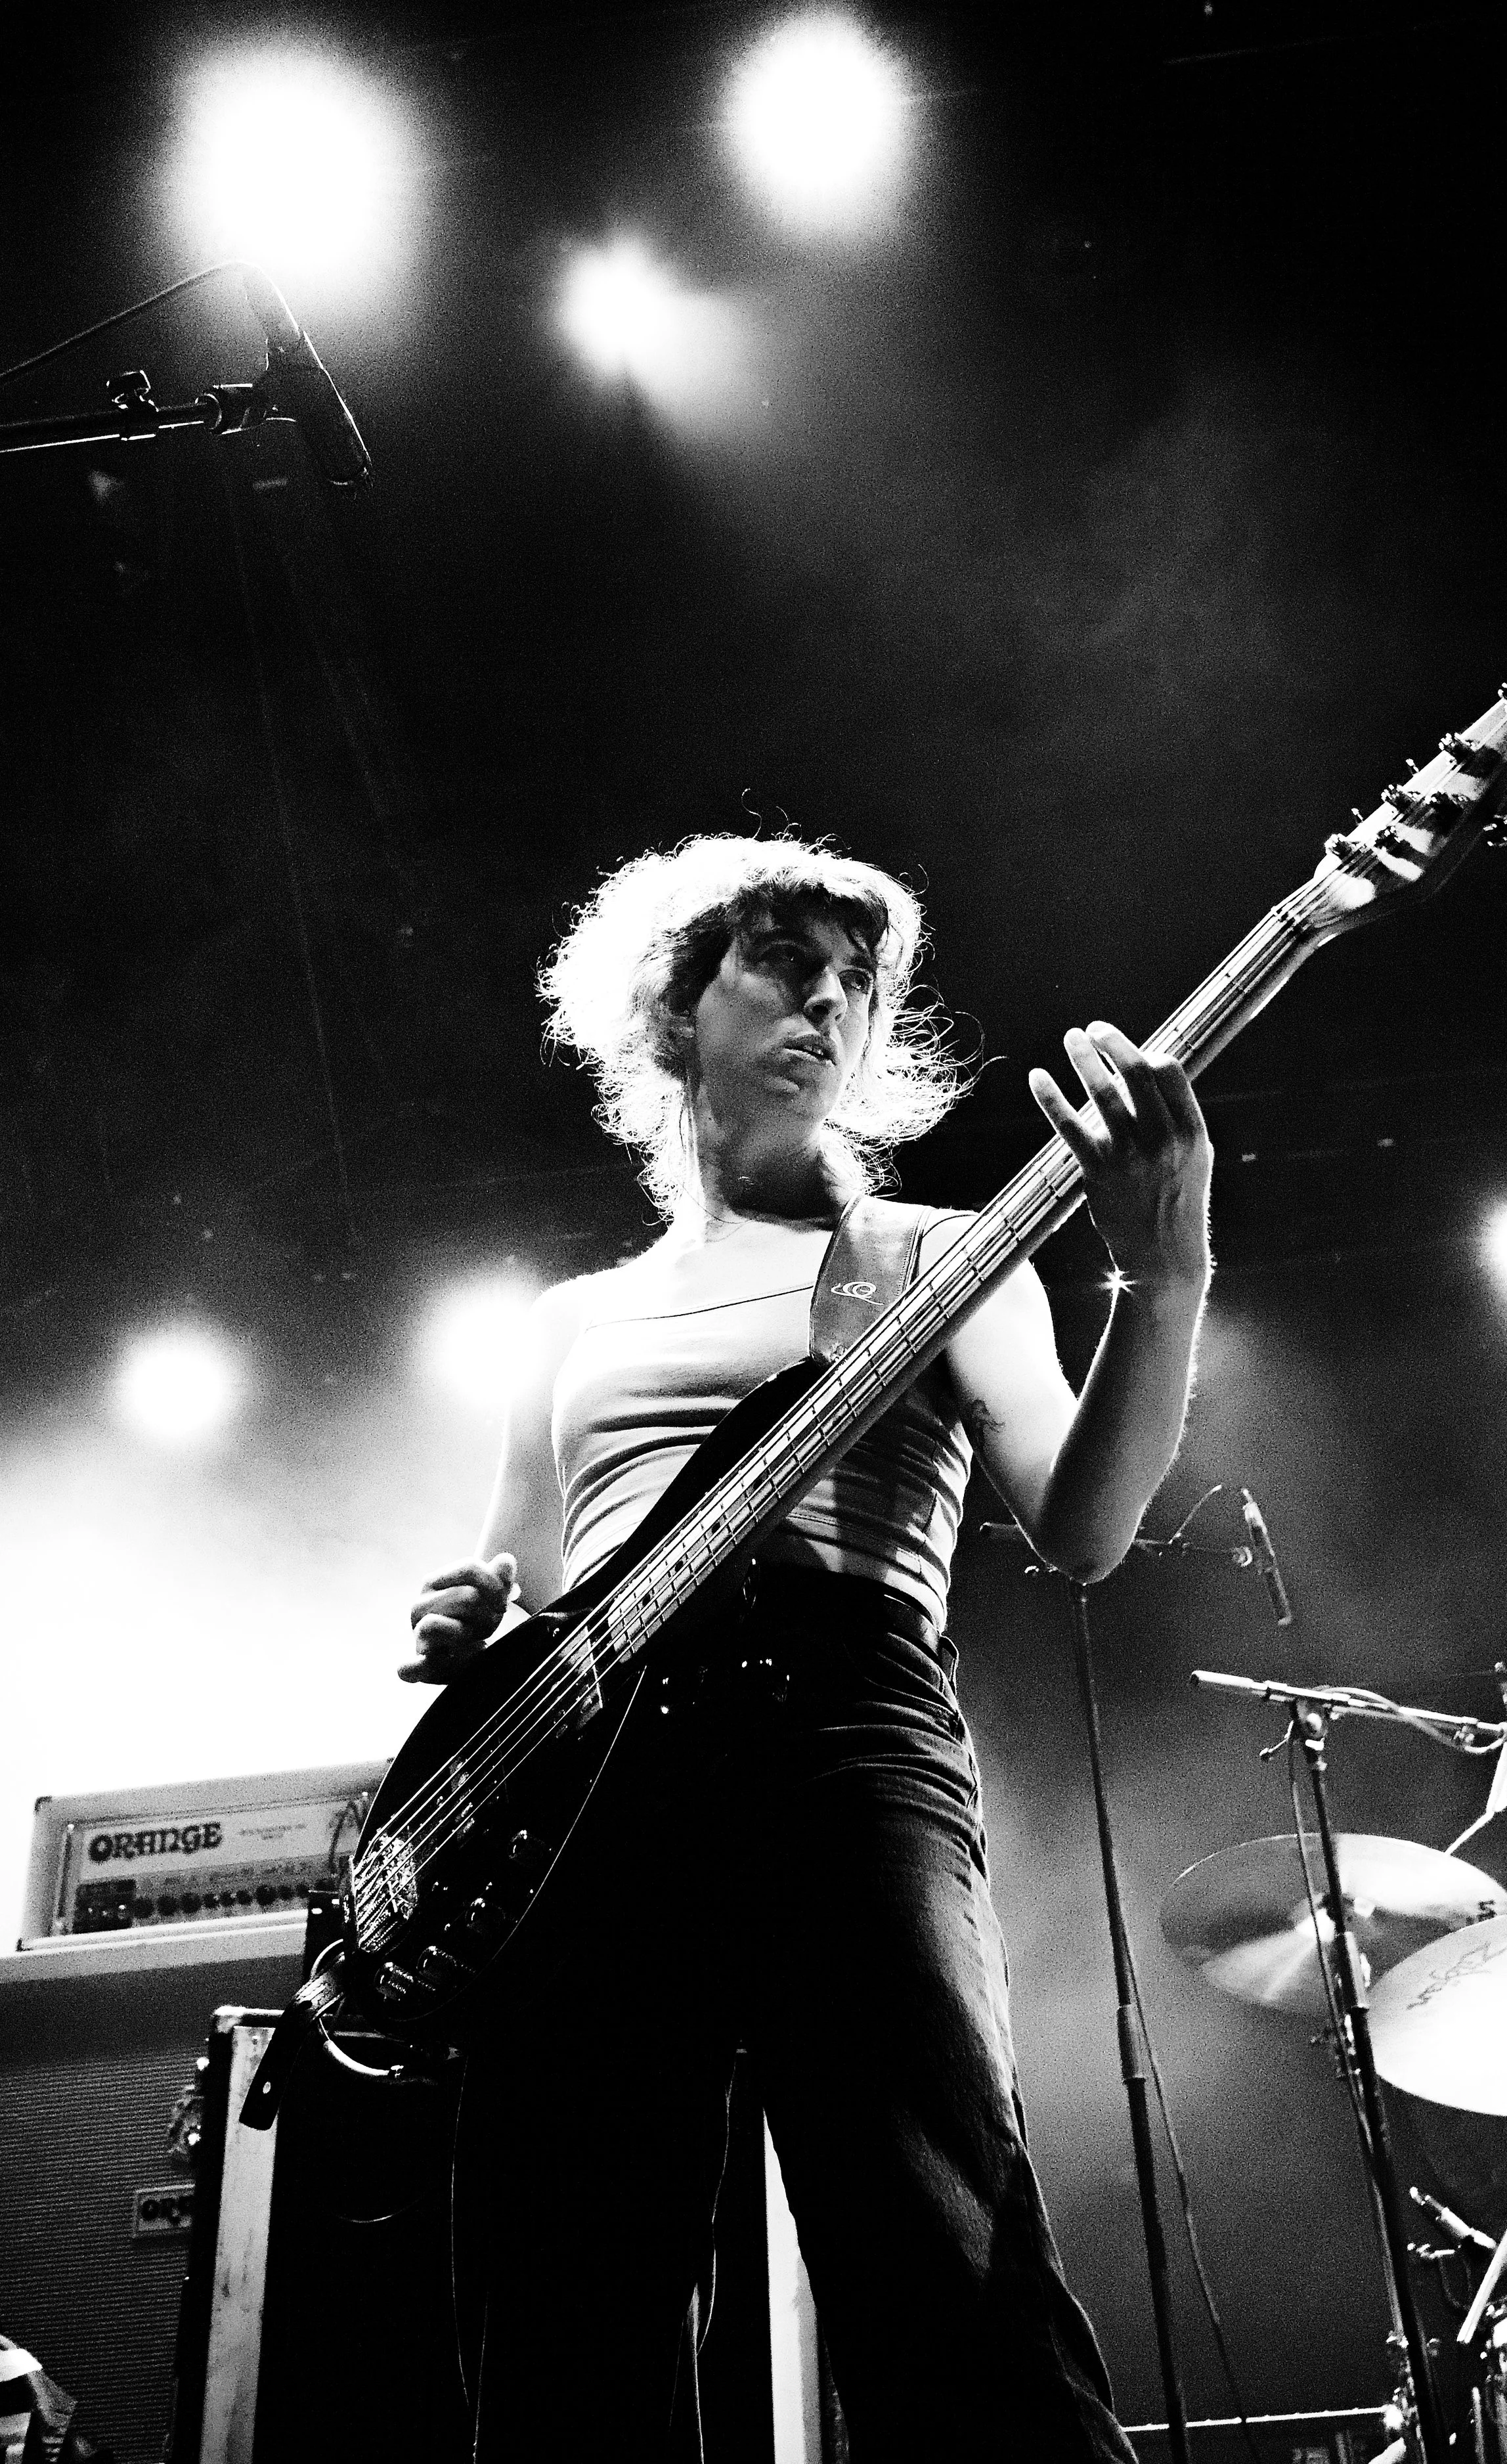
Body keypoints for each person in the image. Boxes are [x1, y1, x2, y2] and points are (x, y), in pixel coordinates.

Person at [404, 836, 1212, 2462]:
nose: (827, 1003)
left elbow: (1083, 1525)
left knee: (933, 2234)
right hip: (588, 1793)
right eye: (782, 963)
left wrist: (1164, 1269)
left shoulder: (935, 1253)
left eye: (854, 984)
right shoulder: (567, 1322)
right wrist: (464, 1628)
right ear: (673, 1008)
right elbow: (535, 1590)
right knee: (562, 2285)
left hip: (840, 1730)